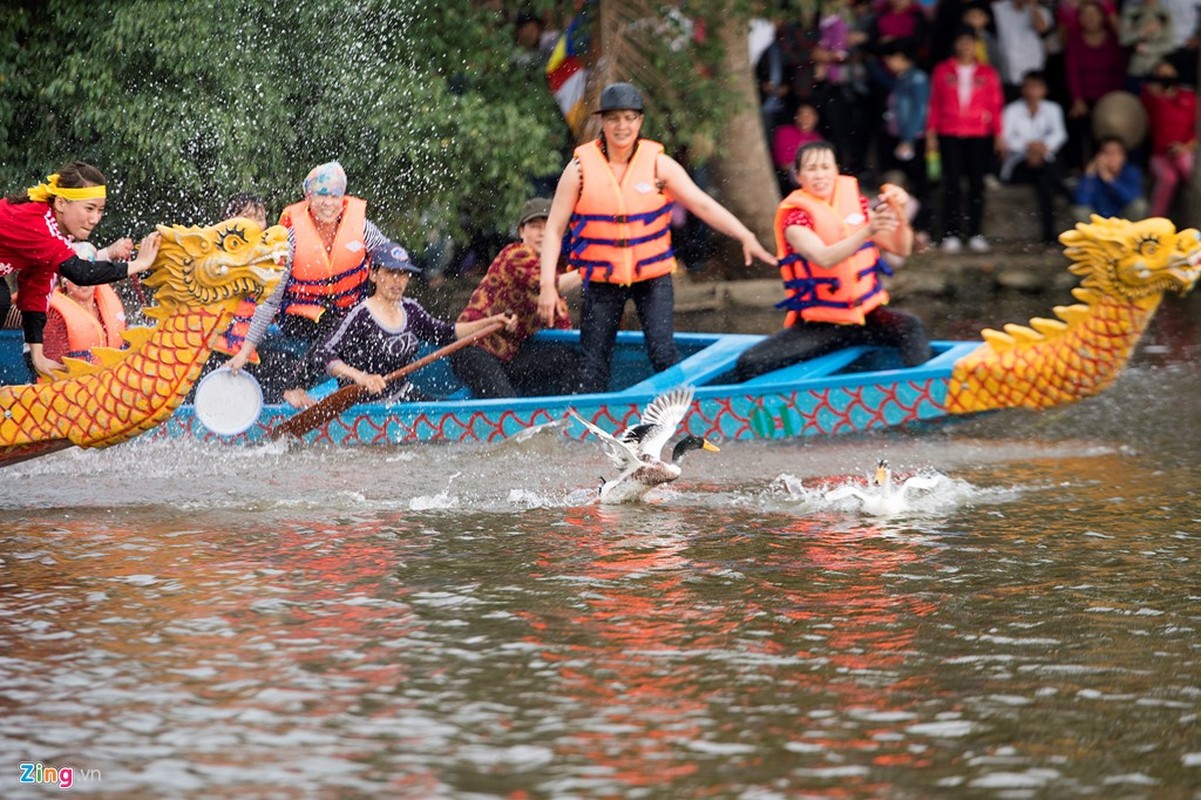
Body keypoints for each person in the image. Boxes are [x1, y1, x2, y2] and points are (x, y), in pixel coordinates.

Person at [536, 82, 775, 394]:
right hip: (601, 280)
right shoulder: (579, 169)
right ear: (603, 122)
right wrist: (546, 287)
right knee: (593, 365)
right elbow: (554, 229)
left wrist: (745, 234)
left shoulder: (659, 164)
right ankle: (587, 429)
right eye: (614, 119)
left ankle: (683, 418)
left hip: (653, 278)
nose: (622, 126)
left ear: (640, 122)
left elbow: (701, 204)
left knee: (663, 354)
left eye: (630, 118)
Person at [733, 140, 930, 382]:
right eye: (812, 169)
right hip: (822, 325)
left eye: (825, 167)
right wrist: (868, 231)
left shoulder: (855, 206)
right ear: (798, 175)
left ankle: (917, 392)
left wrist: (898, 210)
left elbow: (902, 248)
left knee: (910, 326)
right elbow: (824, 258)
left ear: (836, 171)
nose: (820, 175)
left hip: (867, 318)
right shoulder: (796, 217)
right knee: (750, 362)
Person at [285, 242, 515, 408]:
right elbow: (324, 354)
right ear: (374, 276)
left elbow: (446, 333)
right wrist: (361, 377)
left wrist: (492, 321)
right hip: (361, 404)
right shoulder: (360, 315)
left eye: (403, 274)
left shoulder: (411, 309)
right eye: (391, 273)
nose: (398, 281)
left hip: (402, 396)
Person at [229, 164, 389, 402]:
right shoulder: (291, 239)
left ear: (343, 198)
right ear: (309, 198)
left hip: (346, 316)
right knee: (341, 325)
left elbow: (392, 261)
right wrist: (245, 352)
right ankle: (295, 386)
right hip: (300, 318)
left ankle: (354, 395)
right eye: (321, 195)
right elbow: (271, 301)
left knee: (361, 327)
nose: (328, 202)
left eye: (334, 195)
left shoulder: (363, 230)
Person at [0, 162, 159, 378]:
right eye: (89, 208)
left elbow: (35, 290)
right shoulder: (38, 223)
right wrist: (138, 265)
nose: (95, 219)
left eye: (100, 210)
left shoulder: (55, 235)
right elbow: (81, 273)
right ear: (62, 203)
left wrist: (37, 355)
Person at [450, 198, 582, 398]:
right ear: (521, 231)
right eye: (535, 227)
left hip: (508, 356)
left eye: (548, 227)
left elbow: (562, 322)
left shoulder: (553, 268)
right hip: (474, 349)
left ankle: (567, 414)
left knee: (568, 357)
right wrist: (592, 270)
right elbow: (548, 285)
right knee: (506, 403)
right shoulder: (516, 254)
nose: (542, 233)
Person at [927, 26, 1005, 253]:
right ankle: (950, 233)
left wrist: (999, 133)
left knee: (976, 184)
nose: (965, 46)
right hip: (949, 132)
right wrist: (931, 133)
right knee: (951, 183)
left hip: (979, 133)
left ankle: (975, 233)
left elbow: (995, 105)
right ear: (955, 44)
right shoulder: (943, 70)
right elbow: (934, 104)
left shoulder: (987, 72)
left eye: (969, 41)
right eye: (961, 41)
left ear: (975, 44)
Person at [1000, 70, 1068, 244]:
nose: (1032, 91)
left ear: (1044, 90)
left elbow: (1059, 134)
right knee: (1047, 176)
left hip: (1043, 161)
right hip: (1018, 164)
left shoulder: (1053, 109)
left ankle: (1048, 234)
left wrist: (1040, 149)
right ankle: (1068, 195)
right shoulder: (1012, 110)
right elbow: (1006, 139)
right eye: (1028, 87)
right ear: (1023, 89)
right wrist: (1030, 147)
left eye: (1036, 87)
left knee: (1044, 181)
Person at [42, 243, 128, 365]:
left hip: (111, 379)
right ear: (64, 280)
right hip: (77, 381)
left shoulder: (109, 304)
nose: (84, 279)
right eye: (77, 275)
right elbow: (55, 369)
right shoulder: (54, 316)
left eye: (90, 272)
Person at [1141, 59, 1197, 218]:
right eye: (1160, 74)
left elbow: (1195, 128)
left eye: (1168, 73)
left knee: (1186, 166)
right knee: (1168, 178)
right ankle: (1155, 222)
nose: (1164, 77)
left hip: (1185, 150)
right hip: (1159, 155)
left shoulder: (1189, 97)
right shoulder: (1150, 97)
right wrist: (1159, 96)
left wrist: (1186, 147)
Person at [1070, 135, 1149, 221]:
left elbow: (1131, 198)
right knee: (1080, 211)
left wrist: (1109, 179)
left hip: (1123, 220)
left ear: (1124, 157)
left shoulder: (1131, 172)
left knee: (1140, 205)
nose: (1112, 158)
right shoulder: (1093, 175)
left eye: (1116, 153)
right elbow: (1081, 200)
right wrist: (1089, 174)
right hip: (1098, 221)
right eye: (1108, 153)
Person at [771, 102, 824, 193]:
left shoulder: (818, 139)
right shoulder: (785, 132)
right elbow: (784, 163)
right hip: (789, 178)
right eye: (801, 114)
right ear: (796, 117)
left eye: (809, 115)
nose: (805, 118)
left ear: (816, 118)